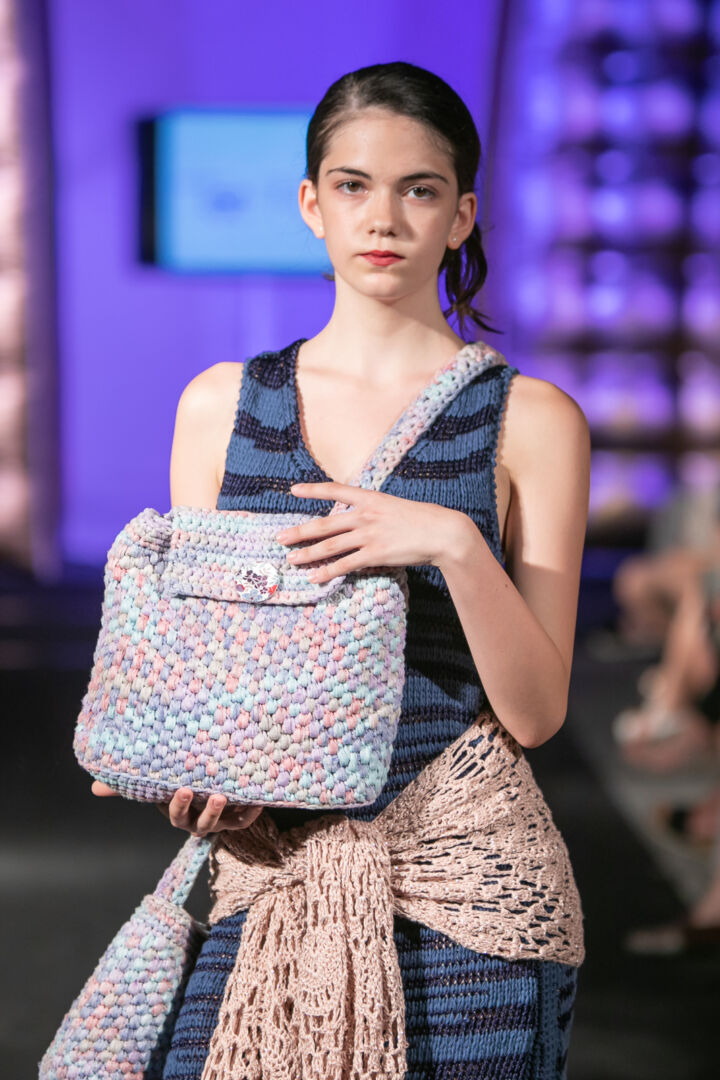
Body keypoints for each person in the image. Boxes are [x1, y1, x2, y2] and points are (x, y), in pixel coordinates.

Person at [92, 61, 591, 1078]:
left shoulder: (531, 420)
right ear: (312, 204)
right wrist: (206, 778)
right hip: (274, 872)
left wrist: (453, 544)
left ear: (461, 215)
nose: (385, 218)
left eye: (420, 189)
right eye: (354, 185)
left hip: (470, 892)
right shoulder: (221, 406)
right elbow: (209, 670)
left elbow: (537, 714)